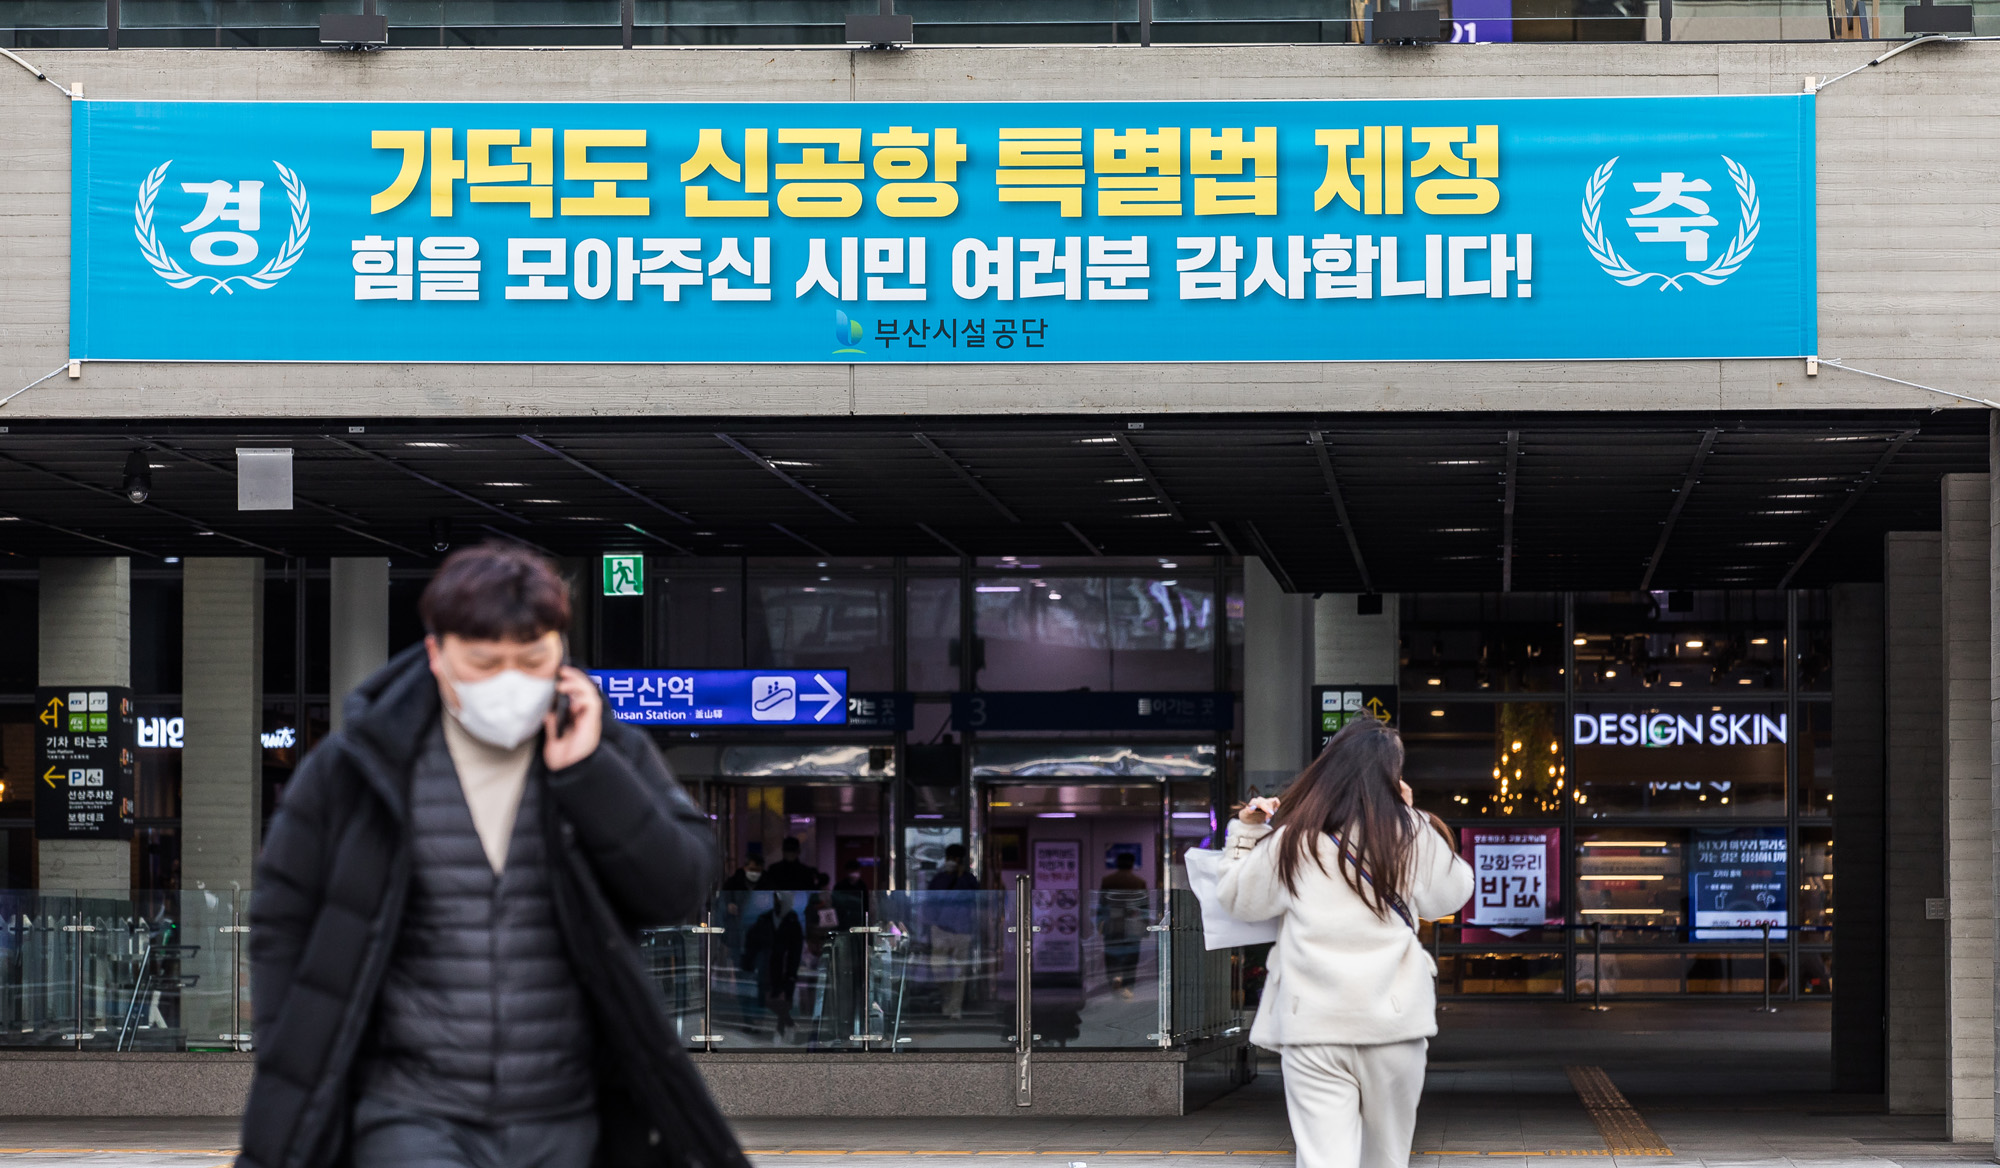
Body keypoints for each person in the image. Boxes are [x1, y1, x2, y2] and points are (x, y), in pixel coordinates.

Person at [237, 544, 743, 1168]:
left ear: (561, 653)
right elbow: (282, 919)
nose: (510, 682)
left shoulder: (607, 750)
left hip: (567, 1111)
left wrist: (591, 776)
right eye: (484, 662)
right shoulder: (358, 767)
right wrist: (290, 1051)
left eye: (532, 660)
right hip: (409, 1109)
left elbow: (681, 887)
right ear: (436, 655)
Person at [1216, 717, 1473, 1168]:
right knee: (1387, 1160)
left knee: (1323, 1160)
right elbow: (1451, 896)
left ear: (1330, 768)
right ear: (1393, 774)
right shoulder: (1410, 834)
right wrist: (1411, 816)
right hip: (1394, 1028)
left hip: (1314, 1027)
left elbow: (1238, 899)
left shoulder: (1293, 839)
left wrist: (1246, 832)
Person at [925, 843, 981, 1020]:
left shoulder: (969, 880)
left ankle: (954, 1008)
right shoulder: (939, 879)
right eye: (950, 858)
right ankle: (947, 998)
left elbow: (976, 899)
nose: (952, 862)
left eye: (956, 859)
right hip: (940, 929)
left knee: (959, 973)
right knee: (938, 969)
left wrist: (961, 876)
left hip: (963, 930)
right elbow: (930, 902)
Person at [1096, 851, 1150, 1000]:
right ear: (1132, 864)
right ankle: (1127, 987)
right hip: (1132, 923)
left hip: (1113, 923)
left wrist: (1099, 924)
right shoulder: (1138, 882)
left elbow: (1102, 905)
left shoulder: (1108, 880)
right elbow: (1144, 907)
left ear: (1118, 863)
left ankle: (1114, 981)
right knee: (1131, 957)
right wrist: (1146, 927)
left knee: (1111, 956)